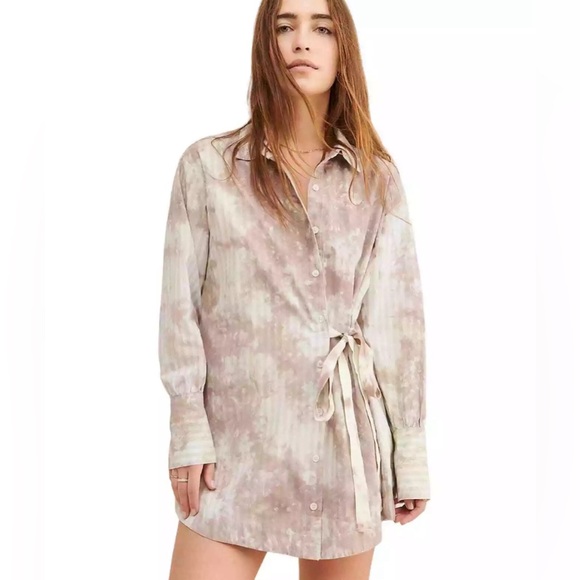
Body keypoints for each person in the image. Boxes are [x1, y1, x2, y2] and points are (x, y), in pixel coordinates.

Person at [158, 0, 431, 578]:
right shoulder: (209, 167)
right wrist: (187, 427)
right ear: (266, 44)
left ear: (342, 48)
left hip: (344, 453)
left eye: (321, 28)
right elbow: (179, 309)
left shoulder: (376, 179)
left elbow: (397, 321)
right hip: (237, 448)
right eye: (285, 26)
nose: (301, 41)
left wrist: (409, 451)